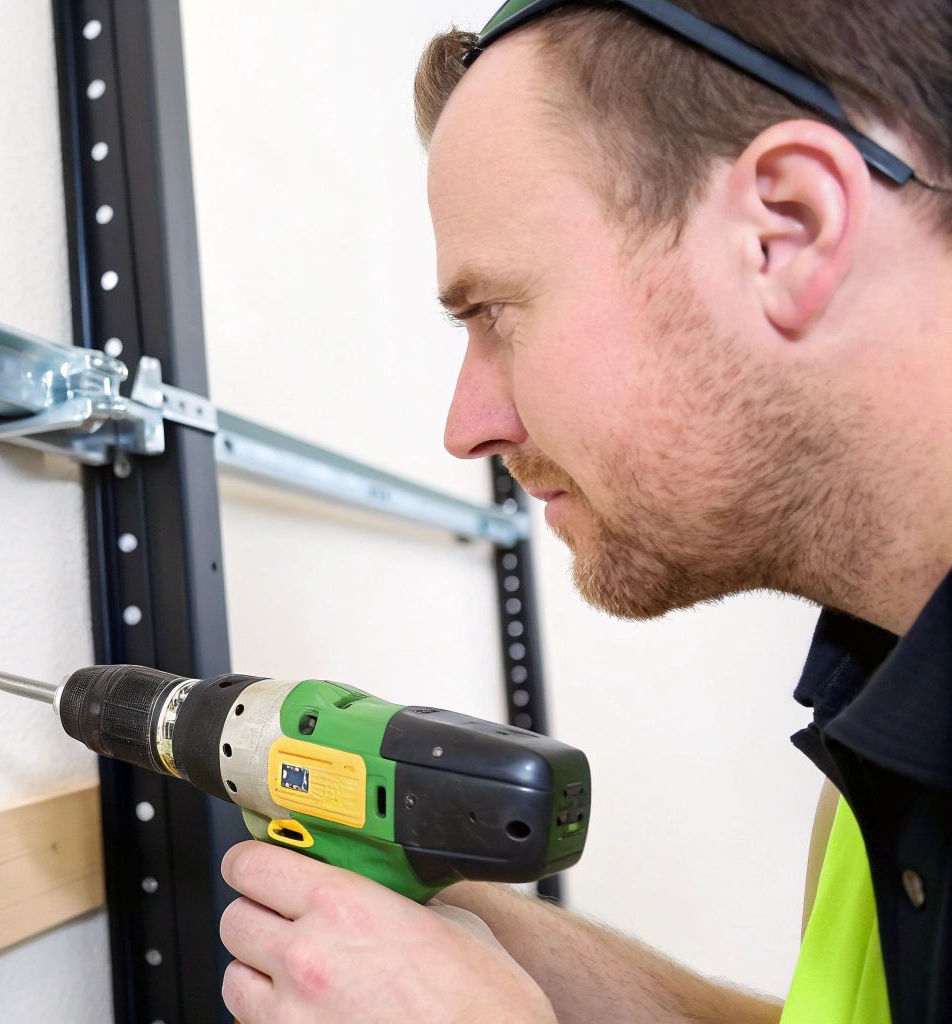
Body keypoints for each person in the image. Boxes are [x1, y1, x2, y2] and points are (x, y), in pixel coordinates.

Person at [213, 1, 952, 1021]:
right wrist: (477, 935)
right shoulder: (881, 694)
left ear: (787, 230)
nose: (467, 427)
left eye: (495, 312)